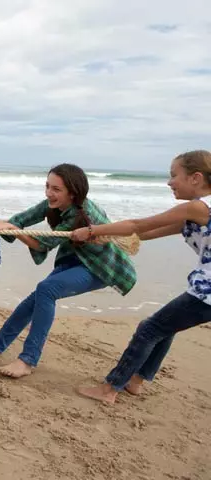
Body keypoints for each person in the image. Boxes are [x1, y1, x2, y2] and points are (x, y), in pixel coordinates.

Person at [71, 150, 211, 404]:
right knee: (165, 327)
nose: (169, 182)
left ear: (196, 178)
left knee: (149, 329)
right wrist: (106, 235)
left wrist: (91, 229)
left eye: (174, 175)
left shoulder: (198, 207)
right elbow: (144, 234)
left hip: (207, 291)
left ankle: (110, 388)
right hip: (206, 289)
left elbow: (137, 225)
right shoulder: (197, 212)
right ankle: (136, 382)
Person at [0, 164, 137, 378]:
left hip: (100, 267)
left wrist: (15, 230)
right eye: (47, 186)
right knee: (36, 298)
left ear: (73, 193)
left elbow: (41, 244)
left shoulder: (82, 215)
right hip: (75, 259)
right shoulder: (53, 204)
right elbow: (22, 219)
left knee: (46, 289)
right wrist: (1, 224)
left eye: (56, 189)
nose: (49, 193)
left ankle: (27, 360)